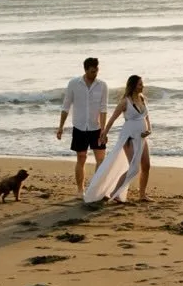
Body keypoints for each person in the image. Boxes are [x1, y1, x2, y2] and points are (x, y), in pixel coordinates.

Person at [84, 74, 151, 204]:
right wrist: (104, 134)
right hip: (129, 137)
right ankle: (114, 193)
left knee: (146, 165)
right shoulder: (125, 101)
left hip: (142, 137)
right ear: (133, 86)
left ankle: (142, 194)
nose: (142, 86)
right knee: (133, 167)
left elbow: (146, 117)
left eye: (142, 84)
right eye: (140, 84)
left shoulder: (142, 99)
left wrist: (149, 130)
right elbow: (113, 118)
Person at [56, 56, 108, 196]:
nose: (95, 73)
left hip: (96, 127)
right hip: (79, 127)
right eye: (92, 71)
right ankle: (80, 190)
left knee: (101, 160)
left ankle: (96, 188)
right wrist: (61, 127)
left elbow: (103, 109)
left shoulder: (102, 85)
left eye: (96, 70)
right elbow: (66, 106)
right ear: (85, 70)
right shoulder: (74, 83)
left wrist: (103, 130)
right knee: (81, 157)